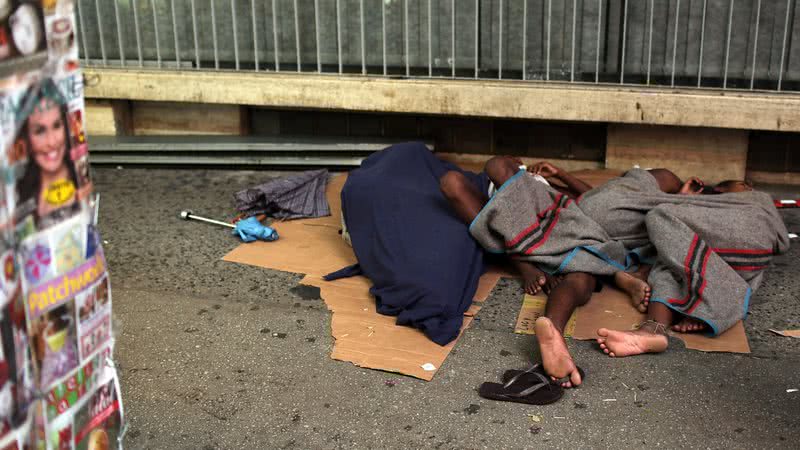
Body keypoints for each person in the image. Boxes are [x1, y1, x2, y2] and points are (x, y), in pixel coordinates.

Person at [15, 81, 91, 229]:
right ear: (26, 137)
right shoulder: (20, 197)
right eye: (40, 131)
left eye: (57, 126)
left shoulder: (81, 181)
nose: (51, 142)